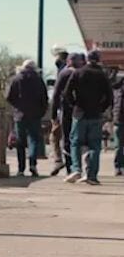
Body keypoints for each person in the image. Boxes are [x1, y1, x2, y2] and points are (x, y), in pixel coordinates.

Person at [63, 50, 114, 185]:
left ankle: (76, 169)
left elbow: (67, 92)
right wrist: (101, 108)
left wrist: (74, 104)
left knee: (75, 142)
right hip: (96, 114)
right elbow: (109, 97)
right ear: (98, 60)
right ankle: (91, 175)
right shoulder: (102, 75)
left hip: (79, 113)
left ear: (86, 59)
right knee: (94, 145)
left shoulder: (78, 72)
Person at [6, 59, 49, 177]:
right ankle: (33, 163)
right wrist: (42, 111)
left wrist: (17, 106)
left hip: (20, 115)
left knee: (20, 141)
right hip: (35, 114)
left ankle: (21, 168)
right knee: (34, 140)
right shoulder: (39, 80)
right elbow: (44, 98)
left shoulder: (16, 79)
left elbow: (9, 97)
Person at [49, 52, 83, 176]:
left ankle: (71, 167)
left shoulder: (64, 74)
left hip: (67, 110)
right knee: (81, 139)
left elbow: (56, 94)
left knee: (68, 139)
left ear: (68, 62)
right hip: (83, 110)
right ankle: (79, 166)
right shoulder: (83, 73)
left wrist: (53, 114)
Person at [112, 72, 123, 176]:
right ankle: (118, 166)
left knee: (119, 145)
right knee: (119, 145)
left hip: (118, 118)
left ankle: (119, 166)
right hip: (119, 119)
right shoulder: (117, 87)